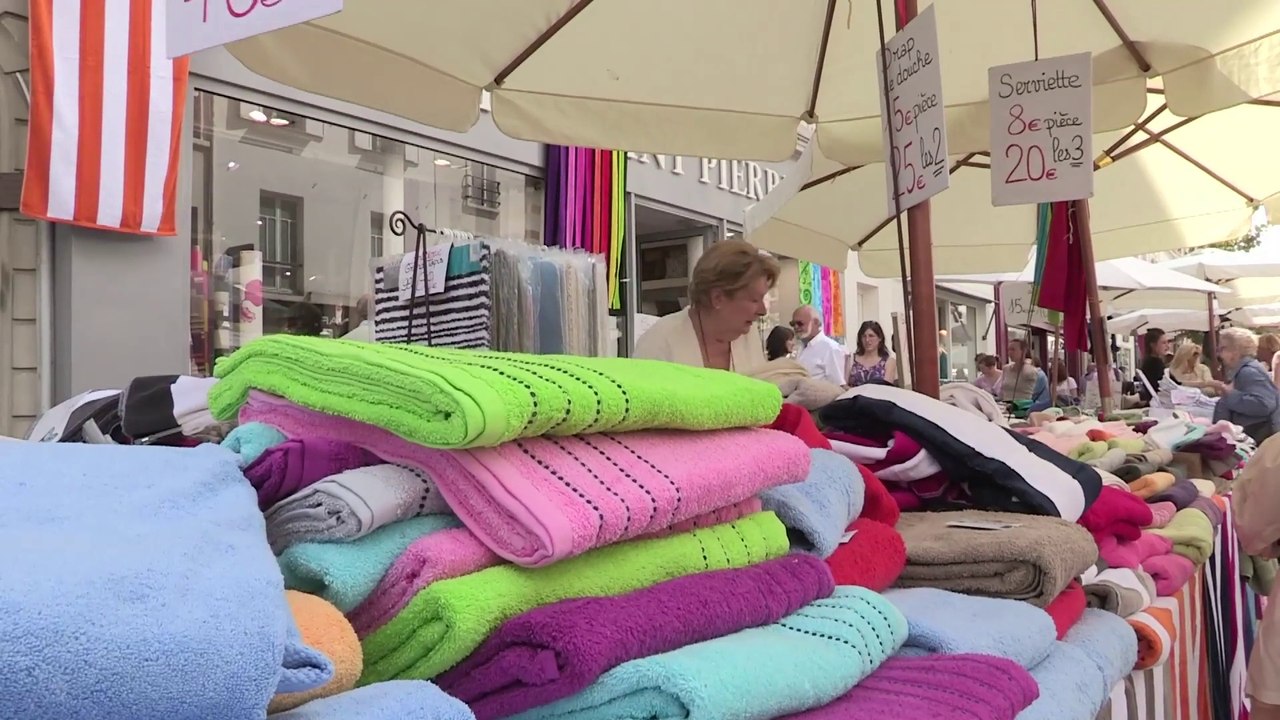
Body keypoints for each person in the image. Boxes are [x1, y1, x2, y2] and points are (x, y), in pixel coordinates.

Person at [634, 239, 777, 373]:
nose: (762, 311)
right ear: (717, 298)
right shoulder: (658, 343)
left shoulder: (748, 337)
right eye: (754, 300)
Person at [1211, 327, 1280, 443]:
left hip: (1256, 435)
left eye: (1222, 348)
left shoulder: (1248, 372)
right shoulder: (1246, 370)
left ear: (1236, 351)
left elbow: (1264, 405)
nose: (1219, 354)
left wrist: (1230, 394)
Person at [792, 305, 847, 386]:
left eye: (800, 323)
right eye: (793, 324)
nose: (796, 327)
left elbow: (838, 386)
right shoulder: (798, 347)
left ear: (816, 323)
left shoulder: (830, 348)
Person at [848, 320, 897, 387]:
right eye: (864, 336)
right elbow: (844, 385)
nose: (867, 340)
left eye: (871, 336)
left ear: (880, 338)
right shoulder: (851, 359)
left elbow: (887, 388)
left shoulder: (888, 362)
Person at [1137, 328, 1170, 402]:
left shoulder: (1148, 361)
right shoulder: (1155, 363)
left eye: (1168, 342)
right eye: (1163, 343)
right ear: (1153, 345)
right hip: (1158, 403)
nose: (1167, 346)